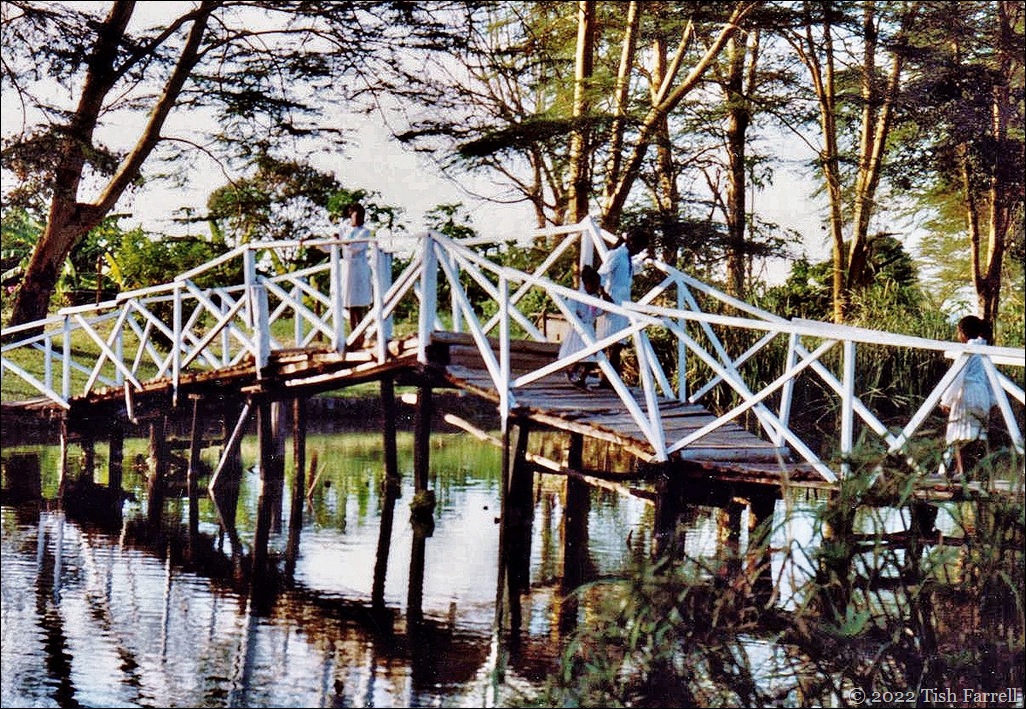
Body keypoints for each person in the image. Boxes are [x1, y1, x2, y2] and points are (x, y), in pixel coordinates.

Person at [938, 315, 994, 478]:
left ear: (962, 333)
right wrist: (993, 400)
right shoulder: (985, 351)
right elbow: (991, 378)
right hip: (982, 394)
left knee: (959, 433)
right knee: (974, 432)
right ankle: (965, 470)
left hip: (968, 394)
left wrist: (946, 400)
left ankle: (961, 471)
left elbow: (957, 377)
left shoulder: (967, 351)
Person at [596, 226, 649, 383]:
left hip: (623, 304)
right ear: (631, 243)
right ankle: (607, 379)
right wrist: (604, 296)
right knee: (607, 343)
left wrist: (644, 259)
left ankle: (609, 381)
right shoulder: (616, 255)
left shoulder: (626, 258)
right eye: (639, 248)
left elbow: (632, 270)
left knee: (618, 344)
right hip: (612, 303)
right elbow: (601, 274)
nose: (639, 251)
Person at [558, 265, 609, 389]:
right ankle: (573, 374)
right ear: (586, 283)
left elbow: (602, 309)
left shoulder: (595, 298)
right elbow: (571, 311)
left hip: (589, 329)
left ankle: (580, 377)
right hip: (578, 330)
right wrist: (577, 316)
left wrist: (603, 292)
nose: (596, 288)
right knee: (579, 356)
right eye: (594, 285)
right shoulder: (575, 296)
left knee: (592, 357)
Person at [340, 202, 373, 347]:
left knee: (359, 303)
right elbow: (331, 244)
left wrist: (342, 241)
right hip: (347, 269)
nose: (359, 219)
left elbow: (356, 246)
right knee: (350, 304)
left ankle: (362, 334)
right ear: (350, 216)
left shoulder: (364, 231)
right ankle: (354, 334)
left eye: (362, 216)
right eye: (356, 216)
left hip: (359, 269)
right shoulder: (344, 229)